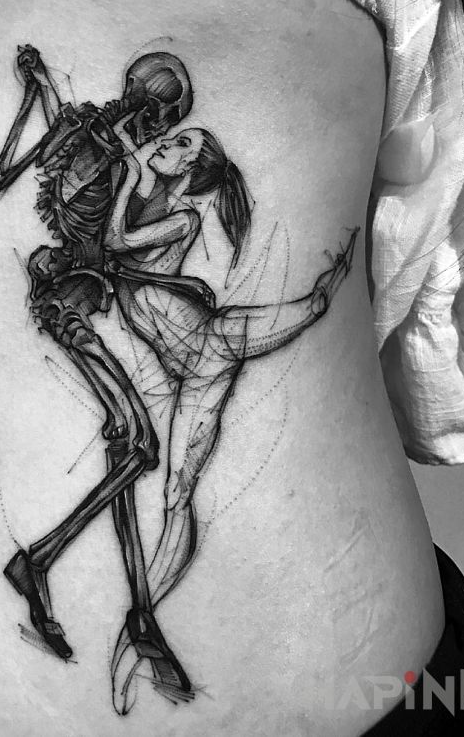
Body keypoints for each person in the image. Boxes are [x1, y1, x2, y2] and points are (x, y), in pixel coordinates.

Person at [0, 0, 464, 736]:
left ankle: (103, 598)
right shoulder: (108, 149)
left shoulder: (164, 204)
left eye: (173, 136)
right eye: (164, 125)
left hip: (282, 679)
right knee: (145, 451)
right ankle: (91, 592)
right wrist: (51, 103)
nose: (160, 136)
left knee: (160, 458)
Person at [104, 122, 357, 711]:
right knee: (176, 497)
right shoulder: (148, 199)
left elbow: (116, 242)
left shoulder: (181, 219)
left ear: (192, 173)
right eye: (176, 136)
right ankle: (141, 625)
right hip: (192, 362)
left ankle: (137, 626)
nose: (169, 142)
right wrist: (130, 164)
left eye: (185, 146)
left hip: (214, 347)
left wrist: (133, 170)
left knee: (177, 498)